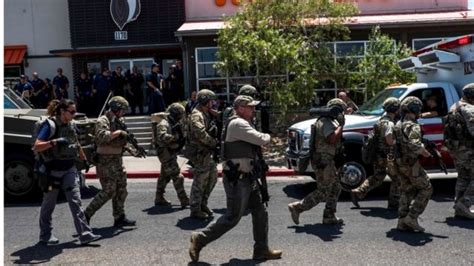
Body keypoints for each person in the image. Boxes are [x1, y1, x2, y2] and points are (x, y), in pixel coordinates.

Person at [189, 95, 282, 262]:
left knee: (260, 211)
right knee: (232, 218)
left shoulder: (242, 122)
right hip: (237, 180)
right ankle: (200, 239)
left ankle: (261, 249)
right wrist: (267, 136)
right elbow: (261, 139)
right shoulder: (237, 123)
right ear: (240, 108)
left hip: (248, 178)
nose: (253, 110)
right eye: (250, 107)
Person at [32, 99, 101, 245]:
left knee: (75, 201)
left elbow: (75, 144)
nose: (74, 114)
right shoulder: (49, 125)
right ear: (62, 112)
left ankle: (85, 233)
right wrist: (55, 142)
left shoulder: (71, 124)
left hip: (69, 168)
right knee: (49, 204)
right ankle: (45, 235)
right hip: (51, 172)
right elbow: (37, 146)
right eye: (72, 112)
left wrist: (84, 160)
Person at [288, 98, 347, 225]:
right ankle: (298, 207)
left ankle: (329, 216)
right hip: (323, 161)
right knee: (324, 190)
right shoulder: (326, 121)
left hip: (326, 160)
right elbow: (331, 139)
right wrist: (341, 126)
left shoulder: (327, 120)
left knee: (336, 187)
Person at [84, 96, 137, 227]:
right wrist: (118, 132)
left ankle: (119, 217)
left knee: (121, 190)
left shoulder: (119, 120)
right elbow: (102, 137)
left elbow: (121, 140)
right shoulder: (103, 120)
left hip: (117, 160)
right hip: (105, 162)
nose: (123, 113)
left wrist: (132, 149)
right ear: (115, 108)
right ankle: (85, 215)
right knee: (108, 191)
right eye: (122, 110)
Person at [351, 97, 401, 209]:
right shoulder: (389, 123)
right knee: (398, 178)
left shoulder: (380, 122)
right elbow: (389, 139)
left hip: (378, 155)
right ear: (396, 110)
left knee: (378, 176)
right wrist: (397, 142)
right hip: (388, 157)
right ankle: (394, 202)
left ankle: (358, 191)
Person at [394, 96, 433, 232]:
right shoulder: (413, 125)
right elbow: (414, 144)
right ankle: (412, 217)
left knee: (407, 190)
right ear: (415, 109)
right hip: (411, 164)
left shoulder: (398, 124)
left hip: (400, 163)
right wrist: (425, 153)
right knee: (427, 188)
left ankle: (401, 221)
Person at [186, 89, 219, 219]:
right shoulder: (196, 115)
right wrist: (213, 143)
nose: (213, 103)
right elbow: (200, 133)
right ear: (205, 101)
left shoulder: (205, 113)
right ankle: (195, 209)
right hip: (199, 152)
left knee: (213, 176)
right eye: (211, 101)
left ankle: (202, 203)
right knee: (200, 180)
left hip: (205, 152)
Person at [444, 83, 474, 219]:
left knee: (463, 177)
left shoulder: (454, 107)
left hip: (457, 150)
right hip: (468, 150)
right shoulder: (469, 109)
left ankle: (459, 207)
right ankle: (464, 203)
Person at [153, 103, 190, 207]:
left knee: (164, 177)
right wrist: (175, 138)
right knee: (177, 176)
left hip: (170, 152)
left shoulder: (173, 123)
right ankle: (184, 199)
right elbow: (162, 136)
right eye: (180, 114)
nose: (181, 117)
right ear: (174, 114)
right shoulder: (164, 123)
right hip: (165, 153)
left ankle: (159, 197)